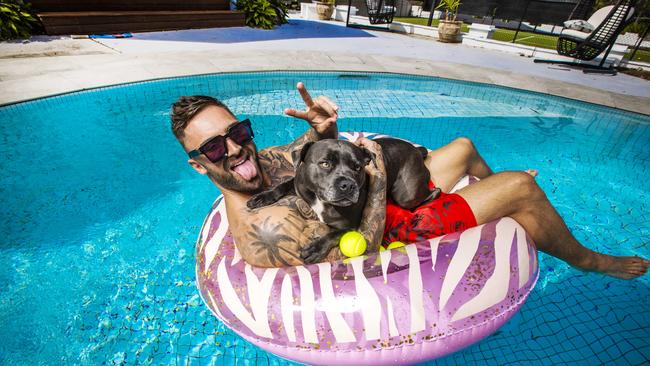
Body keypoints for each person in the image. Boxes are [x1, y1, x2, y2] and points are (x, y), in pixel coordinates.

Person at [171, 83, 649, 279]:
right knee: (519, 188)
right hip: (393, 230)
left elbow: (318, 158)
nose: (233, 148)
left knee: (461, 145)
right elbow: (363, 251)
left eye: (237, 132)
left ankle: (476, 186)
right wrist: (373, 181)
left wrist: (323, 130)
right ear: (198, 163)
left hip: (387, 196)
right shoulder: (263, 234)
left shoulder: (267, 160)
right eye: (214, 147)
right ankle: (590, 259)